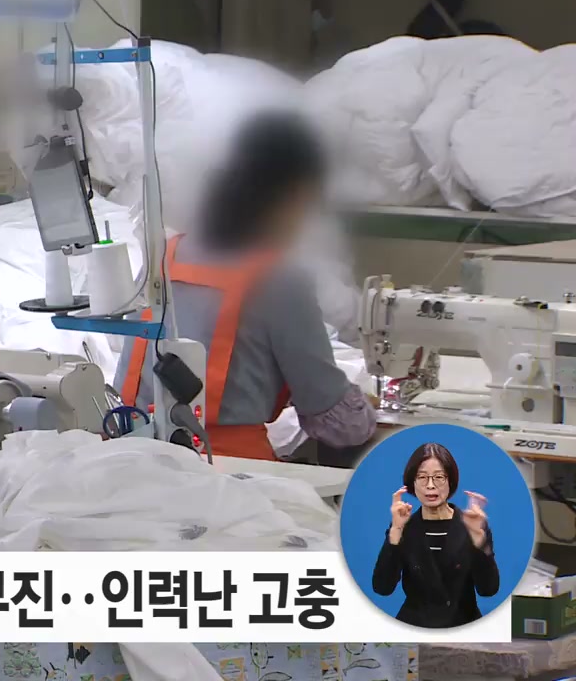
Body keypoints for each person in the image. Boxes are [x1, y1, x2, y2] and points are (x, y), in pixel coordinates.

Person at [114, 111, 376, 461]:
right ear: (291, 198)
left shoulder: (164, 257)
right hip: (225, 467)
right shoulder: (281, 277)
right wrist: (363, 408)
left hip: (131, 457)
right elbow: (338, 424)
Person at [372, 442, 499, 628]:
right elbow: (382, 588)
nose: (430, 486)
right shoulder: (404, 526)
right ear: (412, 483)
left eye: (439, 477)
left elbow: (488, 589)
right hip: (414, 627)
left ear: (450, 481)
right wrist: (396, 532)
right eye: (422, 477)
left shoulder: (472, 525)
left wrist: (479, 541)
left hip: (462, 627)